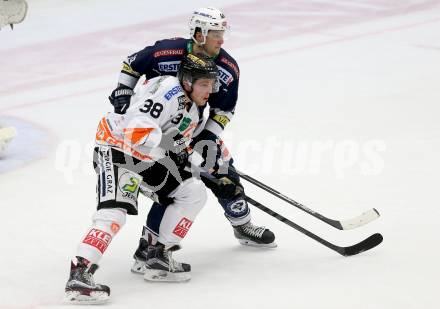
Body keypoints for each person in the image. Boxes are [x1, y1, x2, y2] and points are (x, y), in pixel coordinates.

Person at [108, 7, 276, 274]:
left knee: (222, 172)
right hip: (153, 133)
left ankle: (242, 224)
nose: (221, 40)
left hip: (190, 130)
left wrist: (207, 138)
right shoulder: (166, 52)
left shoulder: (227, 68)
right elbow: (131, 63)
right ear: (198, 34)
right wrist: (123, 89)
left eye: (223, 33)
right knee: (174, 187)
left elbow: (224, 111)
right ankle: (149, 248)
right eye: (215, 34)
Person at [65, 54, 230, 304]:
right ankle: (79, 273)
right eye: (204, 84)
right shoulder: (167, 91)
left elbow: (178, 144)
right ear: (187, 81)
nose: (210, 90)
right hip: (117, 149)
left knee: (192, 192)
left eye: (211, 84)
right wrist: (173, 149)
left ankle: (155, 255)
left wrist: (217, 172)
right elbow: (135, 130)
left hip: (145, 157)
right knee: (114, 214)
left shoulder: (194, 110)